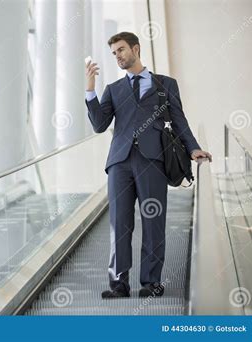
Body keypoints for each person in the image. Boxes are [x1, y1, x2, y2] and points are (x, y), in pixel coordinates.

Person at [85, 32, 212, 299]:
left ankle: (151, 282)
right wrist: (90, 90)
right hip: (119, 162)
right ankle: (118, 284)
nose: (117, 56)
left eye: (121, 50)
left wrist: (193, 148)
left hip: (152, 160)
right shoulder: (114, 89)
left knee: (154, 221)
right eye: (114, 53)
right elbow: (99, 125)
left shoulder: (165, 84)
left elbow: (179, 119)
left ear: (136, 49)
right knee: (119, 223)